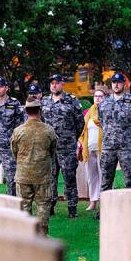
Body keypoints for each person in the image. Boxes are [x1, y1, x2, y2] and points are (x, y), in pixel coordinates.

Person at [41, 74, 85, 218]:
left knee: (69, 178)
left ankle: (72, 208)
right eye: (52, 83)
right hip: (49, 148)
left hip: (67, 147)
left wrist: (71, 138)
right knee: (50, 179)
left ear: (62, 84)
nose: (54, 85)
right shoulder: (44, 102)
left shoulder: (71, 101)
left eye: (57, 83)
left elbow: (80, 123)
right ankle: (51, 206)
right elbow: (40, 122)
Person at [11, 100, 57, 235]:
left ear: (26, 111)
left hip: (23, 175)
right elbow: (53, 150)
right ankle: (42, 235)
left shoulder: (18, 131)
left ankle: (26, 235)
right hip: (42, 175)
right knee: (43, 205)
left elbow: (14, 151)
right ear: (39, 111)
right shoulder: (49, 130)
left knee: (24, 206)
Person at [97, 73, 131, 193]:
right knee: (105, 182)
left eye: (119, 82)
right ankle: (105, 210)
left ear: (124, 84)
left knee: (130, 182)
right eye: (114, 82)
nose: (116, 85)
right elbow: (101, 121)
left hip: (127, 148)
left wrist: (130, 138)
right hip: (108, 148)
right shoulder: (104, 103)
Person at [0, 77, 24, 196]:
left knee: (12, 178)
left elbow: (19, 124)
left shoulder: (14, 103)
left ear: (6, 88)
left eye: (1, 86)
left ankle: (12, 204)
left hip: (8, 148)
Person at [78, 88, 105, 211]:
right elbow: (82, 130)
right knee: (92, 177)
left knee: (104, 177)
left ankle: (105, 202)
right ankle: (93, 202)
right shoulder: (87, 113)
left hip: (103, 149)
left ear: (104, 98)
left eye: (100, 96)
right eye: (96, 96)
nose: (98, 98)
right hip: (89, 149)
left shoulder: (107, 112)